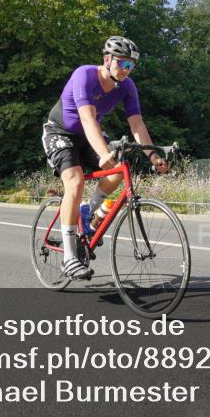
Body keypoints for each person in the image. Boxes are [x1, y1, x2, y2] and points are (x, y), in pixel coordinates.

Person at [42, 36, 168, 280]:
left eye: (131, 66)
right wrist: (102, 153)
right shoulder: (85, 75)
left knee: (121, 168)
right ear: (107, 59)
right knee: (75, 181)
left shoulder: (127, 86)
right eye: (122, 63)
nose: (126, 70)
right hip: (60, 132)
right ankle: (69, 258)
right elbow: (87, 119)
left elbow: (137, 124)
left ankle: (89, 209)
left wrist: (153, 154)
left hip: (90, 134)